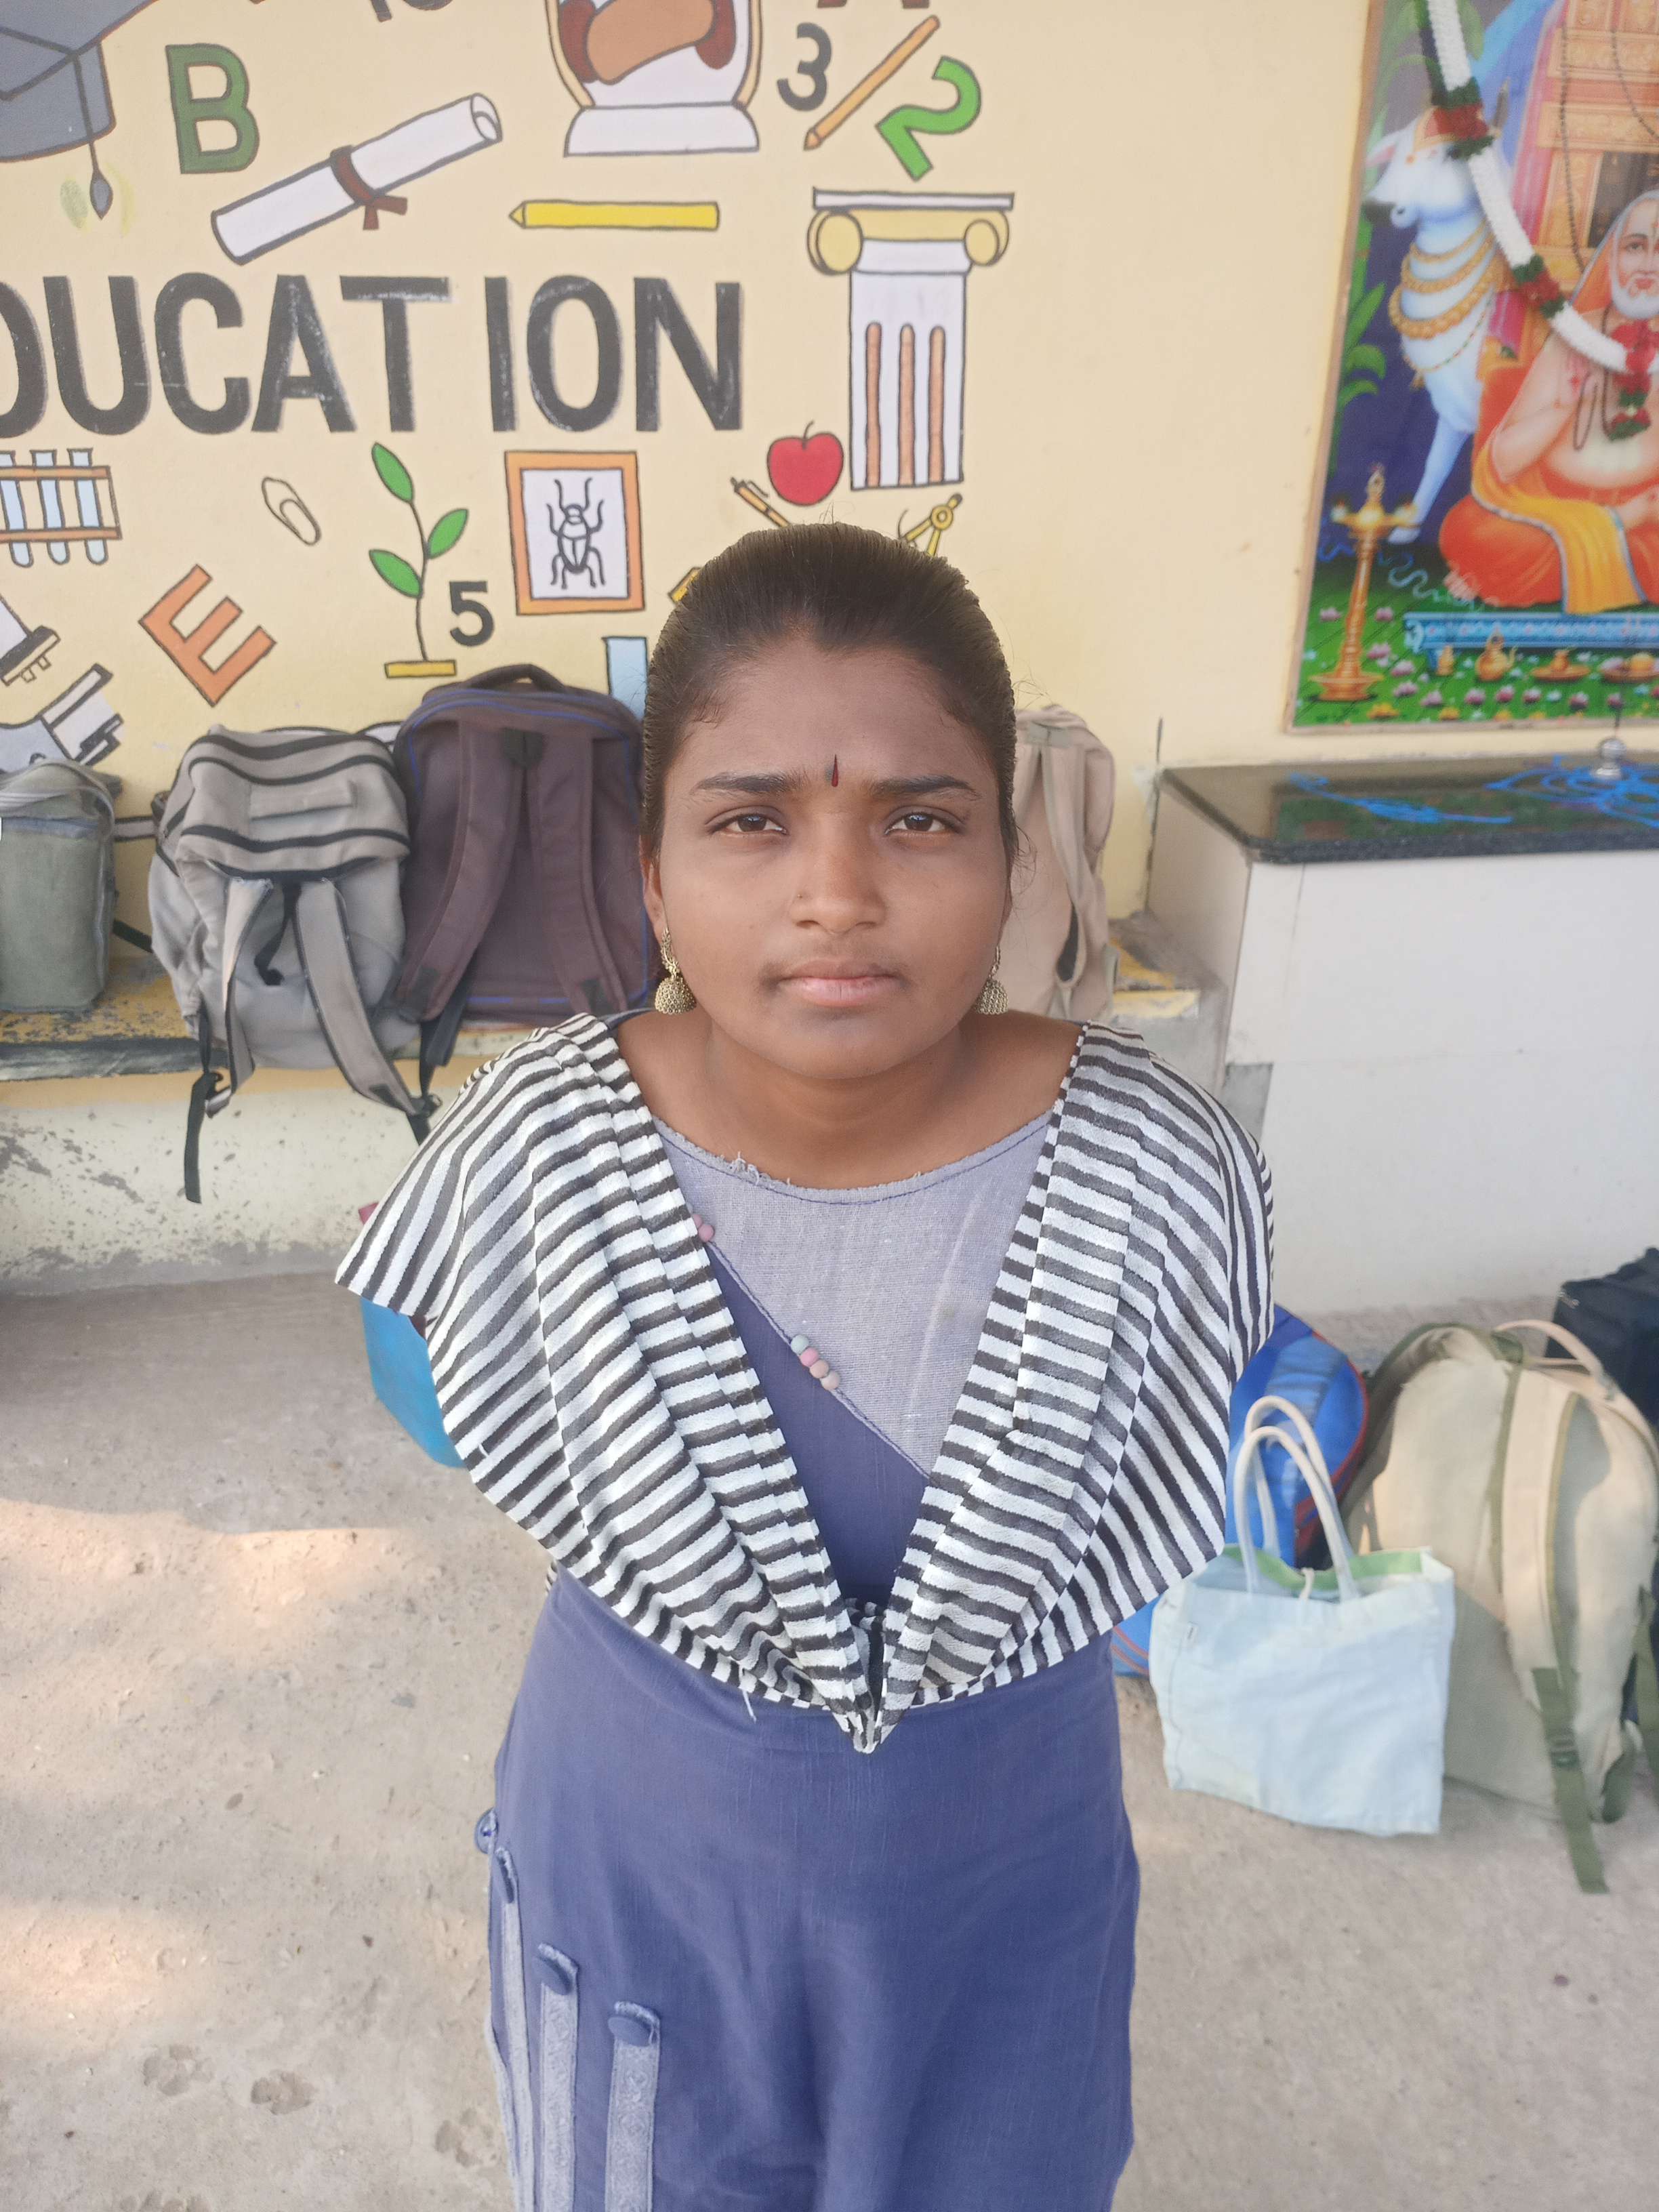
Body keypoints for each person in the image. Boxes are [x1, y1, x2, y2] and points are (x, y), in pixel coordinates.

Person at [338, 522, 1274, 2212]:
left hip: (1009, 1881)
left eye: (919, 819)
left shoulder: (1156, 1171)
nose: (836, 893)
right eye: (749, 820)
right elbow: (443, 1396)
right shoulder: (537, 1154)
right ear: (649, 875)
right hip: (639, 1866)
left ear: (1012, 861)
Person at [1441, 190, 1659, 611]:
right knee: (1469, 532)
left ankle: (1592, 545)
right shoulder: (1576, 336)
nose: (1649, 264)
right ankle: (1615, 525)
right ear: (1613, 258)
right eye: (1636, 246)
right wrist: (1562, 409)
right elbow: (1503, 464)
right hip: (1551, 512)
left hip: (1651, 519)